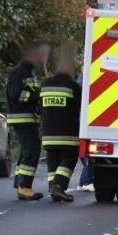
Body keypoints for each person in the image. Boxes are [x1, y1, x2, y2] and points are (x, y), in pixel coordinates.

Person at [6, 41, 50, 200]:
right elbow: (16, 95)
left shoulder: (28, 72)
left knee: (26, 152)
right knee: (32, 151)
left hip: (28, 118)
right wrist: (39, 95)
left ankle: (20, 185)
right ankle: (25, 186)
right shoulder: (19, 72)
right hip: (22, 118)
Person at [40, 51, 82, 202]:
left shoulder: (44, 85)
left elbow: (40, 108)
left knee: (53, 160)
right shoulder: (73, 87)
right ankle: (58, 186)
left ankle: (53, 188)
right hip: (67, 134)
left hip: (48, 134)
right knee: (69, 159)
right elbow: (81, 108)